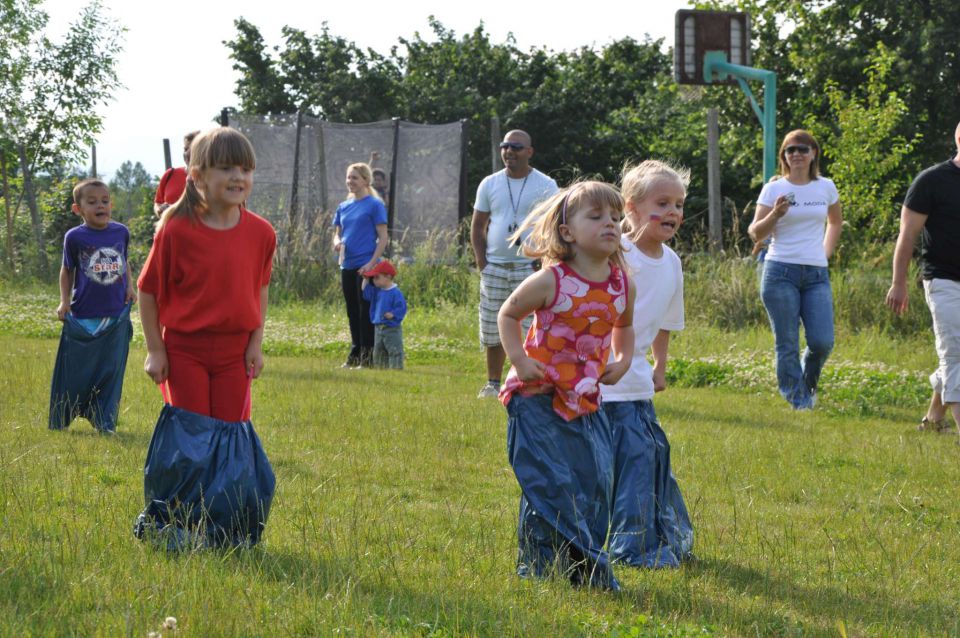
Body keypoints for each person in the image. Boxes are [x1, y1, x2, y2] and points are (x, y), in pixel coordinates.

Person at [498, 181, 636, 590]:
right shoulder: (551, 280)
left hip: (582, 398)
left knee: (590, 480)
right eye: (595, 217)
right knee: (549, 479)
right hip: (534, 395)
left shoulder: (621, 283)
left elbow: (624, 327)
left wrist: (623, 360)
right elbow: (508, 315)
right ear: (567, 232)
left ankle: (554, 561)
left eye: (615, 217)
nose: (609, 224)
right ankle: (575, 569)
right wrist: (520, 361)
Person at [138, 127, 276, 421]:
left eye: (246, 169)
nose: (238, 176)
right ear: (198, 176)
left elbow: (260, 289)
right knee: (192, 431)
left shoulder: (262, 233)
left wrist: (255, 343)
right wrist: (155, 350)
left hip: (236, 353)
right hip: (184, 351)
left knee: (230, 432)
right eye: (226, 168)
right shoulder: (175, 229)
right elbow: (147, 290)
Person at [600, 160, 694, 568]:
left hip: (636, 378)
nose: (672, 212)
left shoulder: (672, 262)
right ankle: (630, 547)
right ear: (631, 207)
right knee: (620, 463)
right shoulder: (614, 253)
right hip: (601, 379)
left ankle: (657, 536)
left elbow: (666, 321)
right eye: (662, 203)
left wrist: (660, 365)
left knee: (650, 456)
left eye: (678, 204)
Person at [748, 129, 842, 410]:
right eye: (790, 150)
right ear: (784, 157)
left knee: (822, 341)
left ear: (814, 153)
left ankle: (807, 385)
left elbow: (835, 222)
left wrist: (825, 252)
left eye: (803, 149)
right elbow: (755, 233)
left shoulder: (826, 186)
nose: (797, 154)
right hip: (780, 272)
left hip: (816, 275)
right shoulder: (774, 188)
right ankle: (800, 401)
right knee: (787, 342)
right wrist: (774, 214)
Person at [886, 121, 960, 435]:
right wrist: (899, 282)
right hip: (943, 281)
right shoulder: (931, 180)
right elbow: (908, 235)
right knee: (956, 353)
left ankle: (932, 422)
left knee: (955, 355)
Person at [472, 130, 558, 398]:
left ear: (529, 152)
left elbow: (554, 225)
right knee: (493, 324)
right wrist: (482, 262)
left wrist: (544, 260)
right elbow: (478, 225)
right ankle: (493, 383)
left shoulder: (546, 184)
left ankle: (525, 380)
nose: (509, 151)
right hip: (495, 266)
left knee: (531, 326)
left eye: (516, 147)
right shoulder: (489, 183)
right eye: (505, 146)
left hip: (529, 267)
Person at [49, 179, 136, 433]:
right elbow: (67, 270)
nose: (101, 205)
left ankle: (104, 420)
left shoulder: (121, 232)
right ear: (78, 209)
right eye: (93, 201)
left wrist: (130, 287)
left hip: (115, 314)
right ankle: (64, 414)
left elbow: (124, 261)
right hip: (84, 313)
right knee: (79, 370)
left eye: (105, 201)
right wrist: (64, 301)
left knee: (111, 370)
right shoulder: (74, 237)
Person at [332, 163, 389, 368]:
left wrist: (371, 264)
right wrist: (337, 242)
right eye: (348, 178)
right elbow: (337, 232)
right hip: (347, 265)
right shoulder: (343, 206)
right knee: (352, 311)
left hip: (366, 267)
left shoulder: (374, 205)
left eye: (354, 178)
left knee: (365, 311)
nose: (350, 182)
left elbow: (383, 238)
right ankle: (355, 353)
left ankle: (367, 357)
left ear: (366, 180)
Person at [361, 259, 407, 369]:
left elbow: (402, 307)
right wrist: (366, 279)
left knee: (394, 349)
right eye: (374, 278)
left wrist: (393, 314)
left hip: (391, 328)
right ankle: (381, 369)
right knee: (378, 351)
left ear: (388, 277)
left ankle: (396, 369)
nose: (374, 281)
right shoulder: (377, 291)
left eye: (377, 277)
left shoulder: (395, 292)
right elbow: (365, 291)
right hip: (378, 327)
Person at [154, 130, 200, 216]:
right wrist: (160, 210)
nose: (187, 153)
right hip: (168, 228)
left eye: (193, 149)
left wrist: (171, 209)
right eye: (185, 149)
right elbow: (158, 203)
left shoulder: (209, 178)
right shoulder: (170, 174)